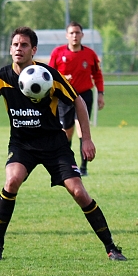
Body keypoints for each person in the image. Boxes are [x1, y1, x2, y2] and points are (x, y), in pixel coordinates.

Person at [0, 26, 126, 262]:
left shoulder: (48, 76)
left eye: (24, 45)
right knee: (12, 181)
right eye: (15, 44)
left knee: (79, 192)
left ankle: (111, 248)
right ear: (10, 49)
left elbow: (78, 101)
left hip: (54, 146)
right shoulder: (2, 77)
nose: (19, 48)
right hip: (22, 145)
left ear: (34, 50)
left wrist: (87, 139)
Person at [48, 21, 105, 176]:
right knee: (66, 133)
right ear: (67, 35)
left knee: (82, 129)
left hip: (84, 95)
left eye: (77, 32)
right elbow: (49, 75)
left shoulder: (90, 54)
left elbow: (98, 75)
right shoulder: (58, 53)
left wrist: (100, 93)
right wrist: (62, 79)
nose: (74, 36)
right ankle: (68, 165)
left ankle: (83, 168)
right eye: (71, 33)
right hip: (64, 97)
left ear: (82, 35)